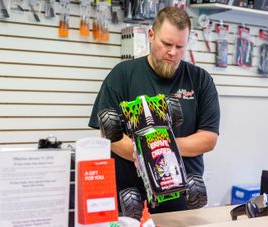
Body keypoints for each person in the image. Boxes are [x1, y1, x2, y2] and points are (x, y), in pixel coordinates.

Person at [88, 7, 220, 214]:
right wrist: (144, 153)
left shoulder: (201, 80)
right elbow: (109, 136)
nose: (172, 52)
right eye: (166, 44)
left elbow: (208, 138)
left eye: (179, 46)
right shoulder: (122, 75)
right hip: (131, 201)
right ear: (151, 35)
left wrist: (162, 147)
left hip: (183, 204)